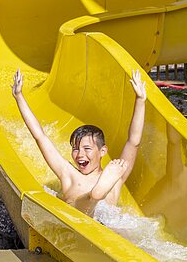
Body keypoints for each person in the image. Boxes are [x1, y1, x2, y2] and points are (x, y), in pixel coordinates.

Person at [11, 68, 146, 217]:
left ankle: (95, 195)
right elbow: (40, 136)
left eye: (87, 148)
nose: (80, 154)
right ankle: (94, 196)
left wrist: (140, 101)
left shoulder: (116, 173)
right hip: (78, 220)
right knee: (80, 208)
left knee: (111, 223)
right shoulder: (68, 173)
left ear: (103, 151)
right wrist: (19, 97)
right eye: (75, 149)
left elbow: (133, 142)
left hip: (103, 229)